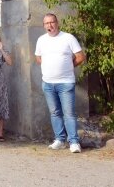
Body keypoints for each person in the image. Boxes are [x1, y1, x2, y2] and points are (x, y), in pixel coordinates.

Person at [35, 13, 85, 153]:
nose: (50, 25)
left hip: (65, 82)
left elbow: (80, 57)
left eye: (52, 22)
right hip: (48, 83)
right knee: (55, 113)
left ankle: (74, 141)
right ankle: (59, 139)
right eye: (46, 23)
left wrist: (68, 66)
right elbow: (38, 58)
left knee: (69, 113)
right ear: (44, 25)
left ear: (57, 23)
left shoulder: (68, 38)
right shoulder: (41, 40)